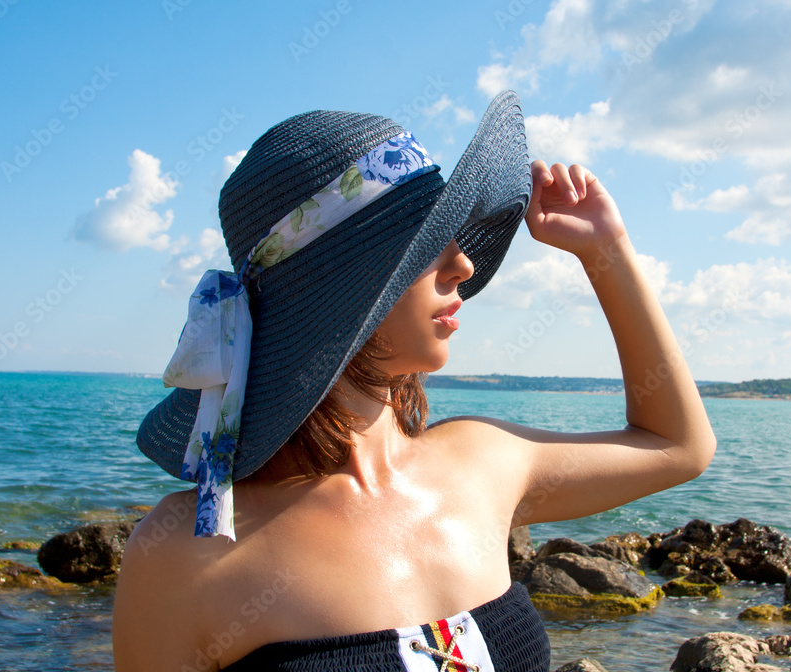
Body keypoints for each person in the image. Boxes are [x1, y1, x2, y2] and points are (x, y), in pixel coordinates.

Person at [112, 90, 716, 672]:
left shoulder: (483, 463)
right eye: (425, 245)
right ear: (339, 289)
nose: (464, 265)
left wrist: (608, 251)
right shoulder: (187, 556)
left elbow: (679, 446)